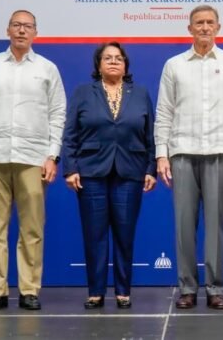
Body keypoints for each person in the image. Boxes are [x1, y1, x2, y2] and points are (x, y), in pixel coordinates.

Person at [0, 10, 66, 311]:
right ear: (7, 30)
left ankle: (29, 289)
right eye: (17, 25)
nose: (22, 30)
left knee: (32, 229)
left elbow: (57, 115)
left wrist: (52, 155)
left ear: (36, 33)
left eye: (28, 26)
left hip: (33, 158)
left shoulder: (47, 69)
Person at [155, 5, 223, 310]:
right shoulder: (174, 65)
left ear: (218, 27)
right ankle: (187, 287)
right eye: (199, 23)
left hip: (219, 152)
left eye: (210, 22)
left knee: (215, 224)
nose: (205, 27)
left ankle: (215, 288)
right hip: (182, 152)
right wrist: (161, 155)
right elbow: (164, 112)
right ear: (190, 29)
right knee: (184, 224)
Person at [61, 42, 157, 309]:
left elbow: (151, 134)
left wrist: (150, 169)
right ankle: (96, 291)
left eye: (118, 58)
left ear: (125, 65)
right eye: (108, 58)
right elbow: (70, 134)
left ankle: (123, 291)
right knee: (95, 235)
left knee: (125, 235)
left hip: (130, 172)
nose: (114, 61)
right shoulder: (83, 93)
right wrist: (70, 168)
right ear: (98, 65)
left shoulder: (140, 93)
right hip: (91, 172)